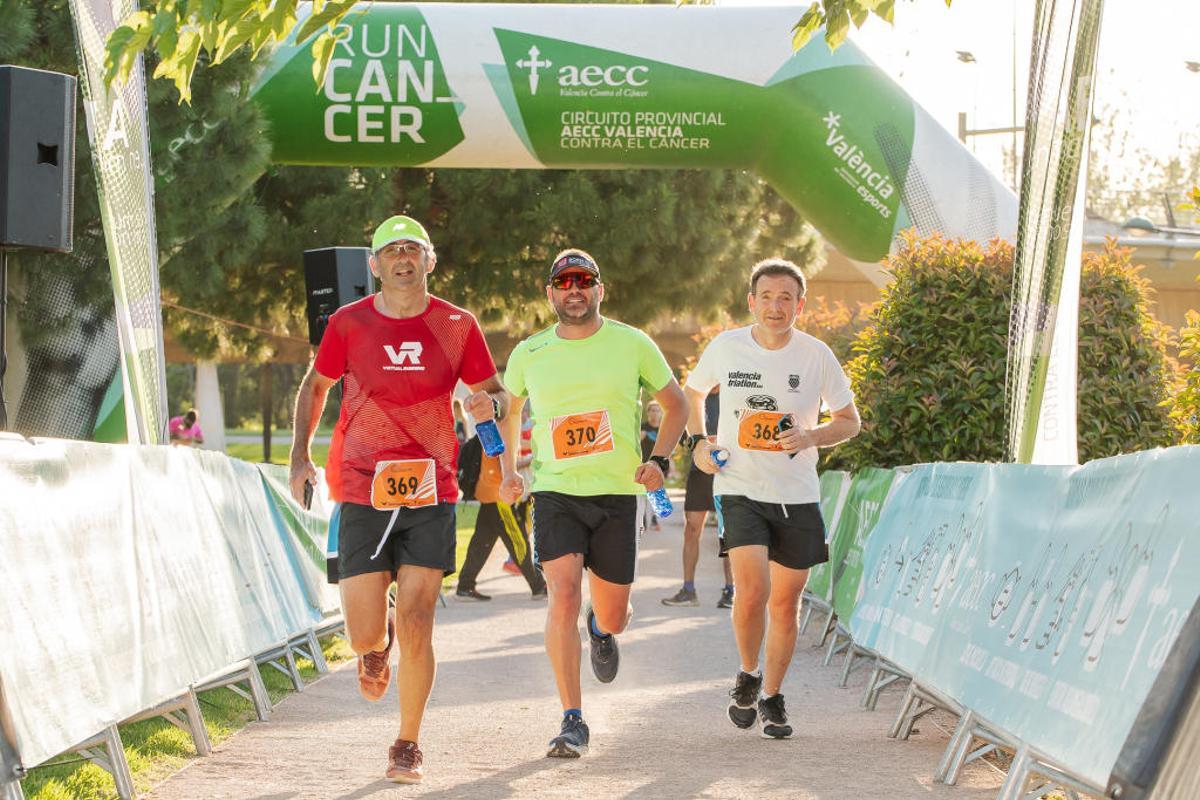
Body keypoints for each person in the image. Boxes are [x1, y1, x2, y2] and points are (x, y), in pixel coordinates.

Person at [288, 215, 521, 784]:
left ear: (429, 260)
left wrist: (493, 411)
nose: (402, 259)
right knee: (366, 631)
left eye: (413, 250)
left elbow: (497, 396)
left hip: (431, 487)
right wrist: (300, 455)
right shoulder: (348, 323)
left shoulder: (456, 325)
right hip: (364, 488)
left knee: (418, 619)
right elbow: (316, 386)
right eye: (391, 251)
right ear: (374, 265)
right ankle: (374, 646)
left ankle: (407, 742)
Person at [501, 248, 687, 758]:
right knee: (560, 594)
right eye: (564, 282)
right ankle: (572, 718)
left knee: (616, 613)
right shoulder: (530, 352)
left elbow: (678, 404)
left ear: (600, 289)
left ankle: (601, 630)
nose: (574, 289)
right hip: (556, 491)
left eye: (584, 280)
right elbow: (509, 410)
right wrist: (509, 473)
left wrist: (660, 460)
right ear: (551, 293)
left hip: (617, 494)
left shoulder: (632, 343)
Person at [685, 258, 860, 740]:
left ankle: (773, 695)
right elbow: (692, 392)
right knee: (753, 591)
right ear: (751, 302)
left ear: (800, 305)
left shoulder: (817, 355)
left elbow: (850, 421)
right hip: (739, 487)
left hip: (797, 495)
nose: (775, 306)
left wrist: (810, 436)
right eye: (767, 297)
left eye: (786, 298)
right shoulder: (726, 347)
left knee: (785, 603)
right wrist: (699, 443)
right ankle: (747, 669)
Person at [661, 387, 735, 608]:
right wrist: (700, 442)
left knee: (729, 532)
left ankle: (731, 592)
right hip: (699, 472)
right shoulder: (693, 399)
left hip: (729, 471)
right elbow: (685, 438)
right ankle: (688, 590)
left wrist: (720, 440)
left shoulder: (734, 393)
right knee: (691, 529)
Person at [455, 437, 547, 600]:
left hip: (489, 493)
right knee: (518, 540)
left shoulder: (489, 431)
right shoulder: (499, 432)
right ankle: (538, 586)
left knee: (481, 543)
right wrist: (529, 460)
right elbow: (505, 465)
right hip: (499, 496)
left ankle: (465, 586)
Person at [639, 401, 663, 530]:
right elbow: (635, 445)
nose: (654, 413)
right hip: (643, 465)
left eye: (657, 410)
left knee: (656, 493)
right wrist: (640, 438)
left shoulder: (663, 429)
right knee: (643, 493)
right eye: (652, 410)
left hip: (658, 465)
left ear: (661, 413)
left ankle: (654, 520)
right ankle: (642, 521)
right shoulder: (642, 427)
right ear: (648, 412)